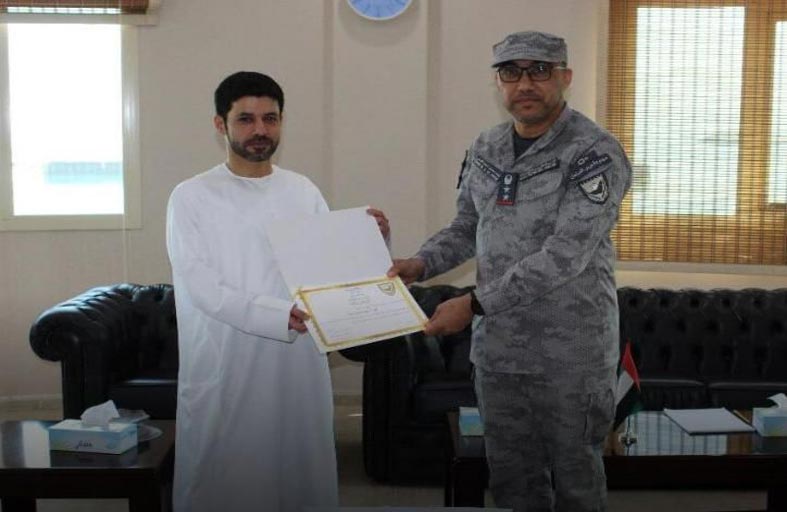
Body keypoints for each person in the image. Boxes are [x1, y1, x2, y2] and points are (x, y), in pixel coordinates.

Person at [389, 31, 632, 512]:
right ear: (498, 82)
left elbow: (565, 255)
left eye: (539, 70)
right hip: (499, 353)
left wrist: (473, 303)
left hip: (570, 356)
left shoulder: (594, 152)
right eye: (511, 72)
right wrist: (420, 263)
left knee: (577, 486)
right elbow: (466, 227)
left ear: (565, 77)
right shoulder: (486, 148)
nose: (525, 84)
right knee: (512, 483)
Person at [166, 71, 389, 512]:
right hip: (228, 360)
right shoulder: (191, 196)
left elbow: (330, 267)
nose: (260, 130)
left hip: (297, 362)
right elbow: (201, 285)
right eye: (246, 119)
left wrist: (372, 239)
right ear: (220, 124)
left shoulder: (301, 189)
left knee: (297, 470)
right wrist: (272, 314)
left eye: (270, 118)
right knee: (229, 475)